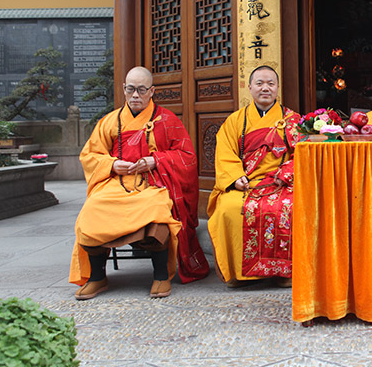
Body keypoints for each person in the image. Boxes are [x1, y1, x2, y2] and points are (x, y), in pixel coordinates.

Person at [70, 66, 208, 300]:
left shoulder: (167, 119)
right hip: (116, 183)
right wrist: (112, 165)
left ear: (152, 91)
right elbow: (90, 155)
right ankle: (97, 277)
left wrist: (156, 160)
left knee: (158, 211)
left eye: (142, 90)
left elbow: (186, 156)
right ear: (124, 89)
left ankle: (161, 275)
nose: (136, 95)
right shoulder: (109, 121)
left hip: (153, 183)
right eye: (131, 89)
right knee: (91, 211)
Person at [207, 65, 302, 286]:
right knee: (228, 208)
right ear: (249, 87)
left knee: (290, 206)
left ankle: (284, 273)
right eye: (259, 83)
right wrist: (234, 177)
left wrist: (286, 174)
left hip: (281, 183)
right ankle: (239, 274)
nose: (265, 88)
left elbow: (303, 153)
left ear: (278, 88)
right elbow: (224, 152)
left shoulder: (293, 120)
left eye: (270, 83)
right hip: (246, 183)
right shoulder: (235, 121)